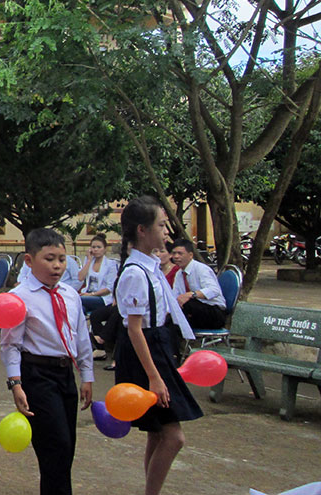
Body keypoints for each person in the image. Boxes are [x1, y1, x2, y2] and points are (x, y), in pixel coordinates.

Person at [115, 196, 202, 495]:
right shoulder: (135, 273)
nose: (167, 232)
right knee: (174, 437)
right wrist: (154, 376)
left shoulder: (151, 267)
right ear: (142, 230)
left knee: (157, 433)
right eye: (161, 225)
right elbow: (134, 329)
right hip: (146, 351)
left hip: (160, 344)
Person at [0, 228, 93, 495]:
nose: (57, 266)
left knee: (67, 449)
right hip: (37, 375)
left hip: (65, 375)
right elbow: (11, 344)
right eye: (49, 258)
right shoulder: (19, 297)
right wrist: (16, 383)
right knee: (55, 446)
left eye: (62, 259)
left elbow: (81, 337)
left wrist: (86, 375)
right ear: (29, 261)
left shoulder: (70, 294)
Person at [169, 239, 226, 329]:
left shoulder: (201, 269)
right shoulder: (179, 274)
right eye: (174, 253)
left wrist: (192, 295)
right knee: (171, 319)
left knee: (187, 303)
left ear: (190, 255)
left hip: (214, 312)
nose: (176, 257)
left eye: (180, 253)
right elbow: (175, 296)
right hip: (196, 312)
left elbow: (214, 290)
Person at [77, 234, 117, 315]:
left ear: (105, 249)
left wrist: (91, 295)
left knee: (76, 299)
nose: (95, 250)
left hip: (102, 298)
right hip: (87, 295)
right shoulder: (89, 261)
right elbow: (80, 277)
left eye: (99, 247)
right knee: (79, 309)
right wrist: (88, 260)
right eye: (93, 247)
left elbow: (109, 289)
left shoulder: (111, 264)